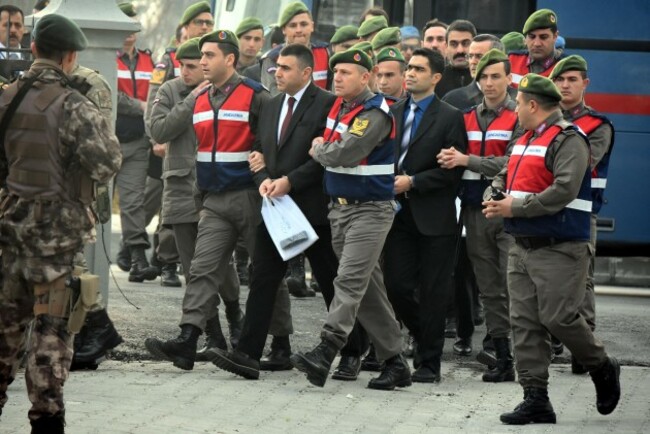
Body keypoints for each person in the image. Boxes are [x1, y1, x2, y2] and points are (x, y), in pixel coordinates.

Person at [210, 44, 369, 381]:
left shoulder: (327, 103)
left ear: (306, 72)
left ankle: (353, 350)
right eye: (275, 67)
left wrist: (289, 182)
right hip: (276, 208)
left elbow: (323, 156)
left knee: (330, 282)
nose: (276, 73)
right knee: (263, 275)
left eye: (284, 68)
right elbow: (259, 148)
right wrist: (263, 177)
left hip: (313, 209)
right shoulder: (270, 103)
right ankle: (247, 355)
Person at [0, 14, 121, 432]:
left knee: (4, 336)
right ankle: (46, 423)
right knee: (50, 342)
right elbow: (107, 163)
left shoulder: (7, 97)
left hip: (11, 235)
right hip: (57, 242)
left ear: (33, 49)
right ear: (70, 57)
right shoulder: (75, 105)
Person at [483, 73, 620, 424]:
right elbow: (505, 174)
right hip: (522, 245)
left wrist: (514, 207)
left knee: (559, 318)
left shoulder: (570, 139)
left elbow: (564, 190)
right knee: (525, 323)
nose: (514, 109)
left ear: (532, 104)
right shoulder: (525, 138)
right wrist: (495, 193)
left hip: (560, 247)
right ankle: (535, 398)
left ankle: (602, 366)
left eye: (518, 103)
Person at [144, 30, 272, 371]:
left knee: (263, 271)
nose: (198, 66)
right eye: (191, 61)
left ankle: (277, 341)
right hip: (206, 195)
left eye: (206, 57)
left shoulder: (253, 94)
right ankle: (190, 339)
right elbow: (159, 131)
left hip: (248, 194)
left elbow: (268, 138)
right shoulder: (188, 95)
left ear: (228, 59)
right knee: (200, 269)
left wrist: (266, 173)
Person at [291, 48, 411, 390]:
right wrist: (326, 148)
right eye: (336, 73)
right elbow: (335, 147)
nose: (338, 78)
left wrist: (319, 149)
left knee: (347, 281)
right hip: (341, 209)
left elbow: (343, 151)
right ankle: (395, 362)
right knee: (368, 290)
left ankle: (326, 349)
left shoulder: (373, 112)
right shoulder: (340, 107)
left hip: (369, 210)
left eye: (346, 73)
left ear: (366, 76)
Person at [383, 47, 467, 383]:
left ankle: (429, 364)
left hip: (434, 217)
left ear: (435, 77)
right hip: (397, 215)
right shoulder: (393, 111)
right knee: (396, 286)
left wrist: (413, 181)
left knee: (434, 292)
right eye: (409, 67)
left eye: (418, 69)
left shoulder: (449, 116)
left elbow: (452, 172)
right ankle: (424, 336)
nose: (410, 73)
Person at [438, 49, 521, 381]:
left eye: (495, 76)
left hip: (509, 213)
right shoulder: (466, 116)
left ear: (509, 78)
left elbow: (512, 163)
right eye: (483, 77)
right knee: (488, 288)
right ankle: (502, 356)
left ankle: (520, 351)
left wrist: (466, 160)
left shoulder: (519, 117)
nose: (488, 83)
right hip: (474, 210)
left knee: (512, 284)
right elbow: (450, 157)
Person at [550, 55, 614, 374]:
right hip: (546, 209)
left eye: (572, 80)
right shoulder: (545, 121)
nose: (565, 85)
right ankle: (552, 341)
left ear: (584, 84)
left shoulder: (598, 125)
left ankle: (584, 350)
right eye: (560, 80)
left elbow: (579, 166)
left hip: (581, 212)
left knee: (582, 281)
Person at [114, 2, 159, 282]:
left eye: (133, 25)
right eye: (124, 24)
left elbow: (157, 92)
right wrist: (141, 105)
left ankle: (138, 259)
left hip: (138, 142)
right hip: (108, 139)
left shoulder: (148, 60)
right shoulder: (106, 56)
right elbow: (110, 94)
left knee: (133, 203)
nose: (129, 32)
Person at [260, 1, 330, 96]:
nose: (299, 30)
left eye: (304, 24)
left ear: (312, 26)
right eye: (293, 25)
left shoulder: (324, 53)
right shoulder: (272, 58)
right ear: (284, 30)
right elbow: (274, 97)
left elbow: (333, 92)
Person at [443, 34, 510, 111]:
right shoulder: (453, 100)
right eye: (470, 56)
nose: (473, 62)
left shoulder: (519, 98)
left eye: (479, 56)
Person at [509, 9, 565, 88]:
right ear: (525, 39)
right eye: (532, 37)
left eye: (543, 37)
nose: (537, 43)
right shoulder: (512, 60)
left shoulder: (565, 66)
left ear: (555, 36)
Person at [436, 19, 475, 98]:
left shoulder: (485, 79)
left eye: (466, 44)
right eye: (454, 44)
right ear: (446, 47)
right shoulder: (435, 80)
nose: (460, 50)